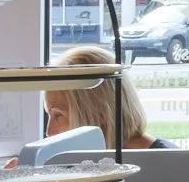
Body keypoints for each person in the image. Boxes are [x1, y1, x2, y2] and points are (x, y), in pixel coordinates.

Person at [43, 44, 171, 150]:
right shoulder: (95, 159)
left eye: (58, 115)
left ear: (100, 112)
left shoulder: (165, 165)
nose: (49, 131)